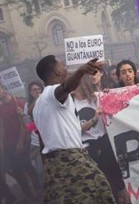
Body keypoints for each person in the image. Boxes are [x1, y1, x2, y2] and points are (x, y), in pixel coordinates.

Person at [33, 56, 114, 203]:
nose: (67, 70)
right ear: (58, 71)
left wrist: (95, 119)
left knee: (101, 192)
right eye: (63, 66)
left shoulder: (40, 103)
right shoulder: (52, 93)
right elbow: (65, 88)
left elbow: (44, 142)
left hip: (59, 163)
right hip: (70, 163)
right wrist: (82, 71)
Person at [73, 74, 130, 203]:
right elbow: (75, 129)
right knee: (104, 182)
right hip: (89, 148)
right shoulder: (70, 105)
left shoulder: (96, 98)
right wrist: (94, 119)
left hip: (106, 141)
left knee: (119, 180)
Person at [1, 84, 40, 201]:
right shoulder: (1, 107)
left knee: (26, 165)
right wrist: (2, 144)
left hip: (22, 140)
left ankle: (38, 188)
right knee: (16, 170)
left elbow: (25, 124)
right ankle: (28, 194)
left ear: (2, 88)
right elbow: (2, 127)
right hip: (9, 143)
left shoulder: (18, 102)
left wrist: (20, 142)